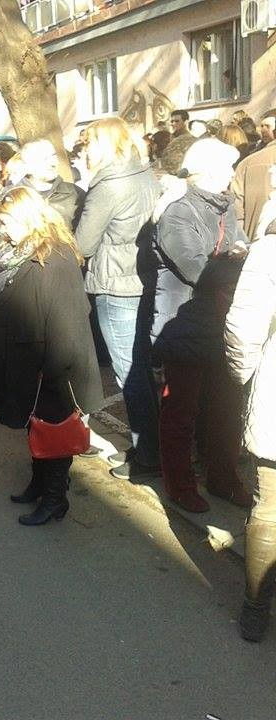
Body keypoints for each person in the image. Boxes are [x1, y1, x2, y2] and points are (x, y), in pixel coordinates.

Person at [0, 187, 103, 525]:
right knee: (36, 425)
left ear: (29, 217)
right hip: (27, 359)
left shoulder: (54, 257)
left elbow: (67, 320)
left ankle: (55, 499)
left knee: (54, 431)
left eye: (9, 221)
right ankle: (40, 484)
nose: (5, 230)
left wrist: (53, 369)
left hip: (52, 364)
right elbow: (10, 292)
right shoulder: (19, 251)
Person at [150, 138, 252, 512]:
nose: (232, 173)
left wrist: (236, 256)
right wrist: (239, 258)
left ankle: (223, 479)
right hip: (185, 328)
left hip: (224, 324)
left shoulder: (227, 207)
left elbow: (235, 254)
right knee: (181, 413)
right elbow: (198, 269)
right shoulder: (178, 213)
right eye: (228, 166)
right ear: (206, 170)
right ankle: (180, 484)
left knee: (226, 410)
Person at [76, 117, 161, 481]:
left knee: (130, 372)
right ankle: (149, 448)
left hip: (116, 283)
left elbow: (83, 244)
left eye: (89, 142)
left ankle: (148, 457)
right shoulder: (144, 175)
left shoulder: (108, 185)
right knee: (140, 368)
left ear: (106, 144)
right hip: (141, 278)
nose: (85, 150)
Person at [225, 203, 276, 642]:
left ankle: (256, 608)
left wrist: (250, 378)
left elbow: (242, 328)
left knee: (272, 511)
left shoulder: (270, 248)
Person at [19, 139, 85, 229]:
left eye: (54, 156)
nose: (53, 163)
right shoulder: (12, 197)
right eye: (44, 158)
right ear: (27, 166)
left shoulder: (75, 194)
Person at [232, 111, 276, 240]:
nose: (263, 130)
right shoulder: (248, 161)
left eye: (267, 126)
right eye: (261, 126)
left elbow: (237, 211)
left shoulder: (247, 163)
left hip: (256, 242)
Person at [162, 110, 197, 175]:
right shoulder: (171, 138)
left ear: (186, 122)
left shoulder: (191, 140)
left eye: (177, 121)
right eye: (172, 121)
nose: (173, 124)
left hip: (183, 178)